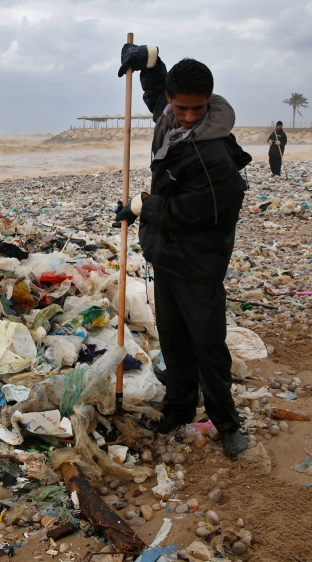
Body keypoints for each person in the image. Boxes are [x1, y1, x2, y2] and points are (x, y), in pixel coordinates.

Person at [114, 44, 251, 459]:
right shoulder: (169, 118)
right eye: (182, 108)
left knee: (207, 344)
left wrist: (142, 206)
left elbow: (190, 212)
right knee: (172, 338)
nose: (189, 117)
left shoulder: (215, 154)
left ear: (210, 100)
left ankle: (226, 422)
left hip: (200, 260)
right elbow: (157, 95)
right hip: (168, 253)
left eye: (198, 108)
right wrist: (149, 60)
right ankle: (179, 407)